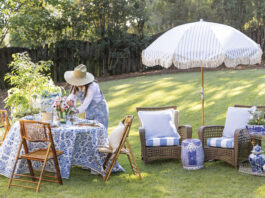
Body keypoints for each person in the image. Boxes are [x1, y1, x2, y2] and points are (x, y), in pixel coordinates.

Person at [64, 64, 109, 128]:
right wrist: (67, 103)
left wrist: (75, 111)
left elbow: (85, 104)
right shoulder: (76, 86)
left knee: (99, 133)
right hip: (89, 112)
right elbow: (71, 97)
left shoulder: (92, 87)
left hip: (100, 112)